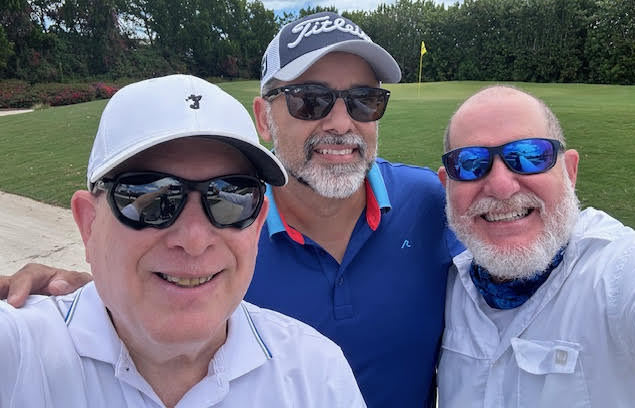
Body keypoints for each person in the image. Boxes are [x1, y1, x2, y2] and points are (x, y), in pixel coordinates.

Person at [0, 12, 458, 407]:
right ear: (263, 117)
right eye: (310, 100)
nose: (341, 122)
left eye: (364, 100)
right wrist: (105, 290)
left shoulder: (430, 202)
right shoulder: (24, 353)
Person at [0, 74, 365, 407]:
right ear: (88, 224)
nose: (193, 239)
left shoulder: (317, 376)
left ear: (256, 228)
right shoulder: (18, 353)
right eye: (152, 198)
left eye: (230, 198)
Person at [436, 85, 635, 407]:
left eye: (530, 156)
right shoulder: (446, 286)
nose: (501, 187)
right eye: (470, 164)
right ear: (447, 187)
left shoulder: (618, 272)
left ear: (570, 172)